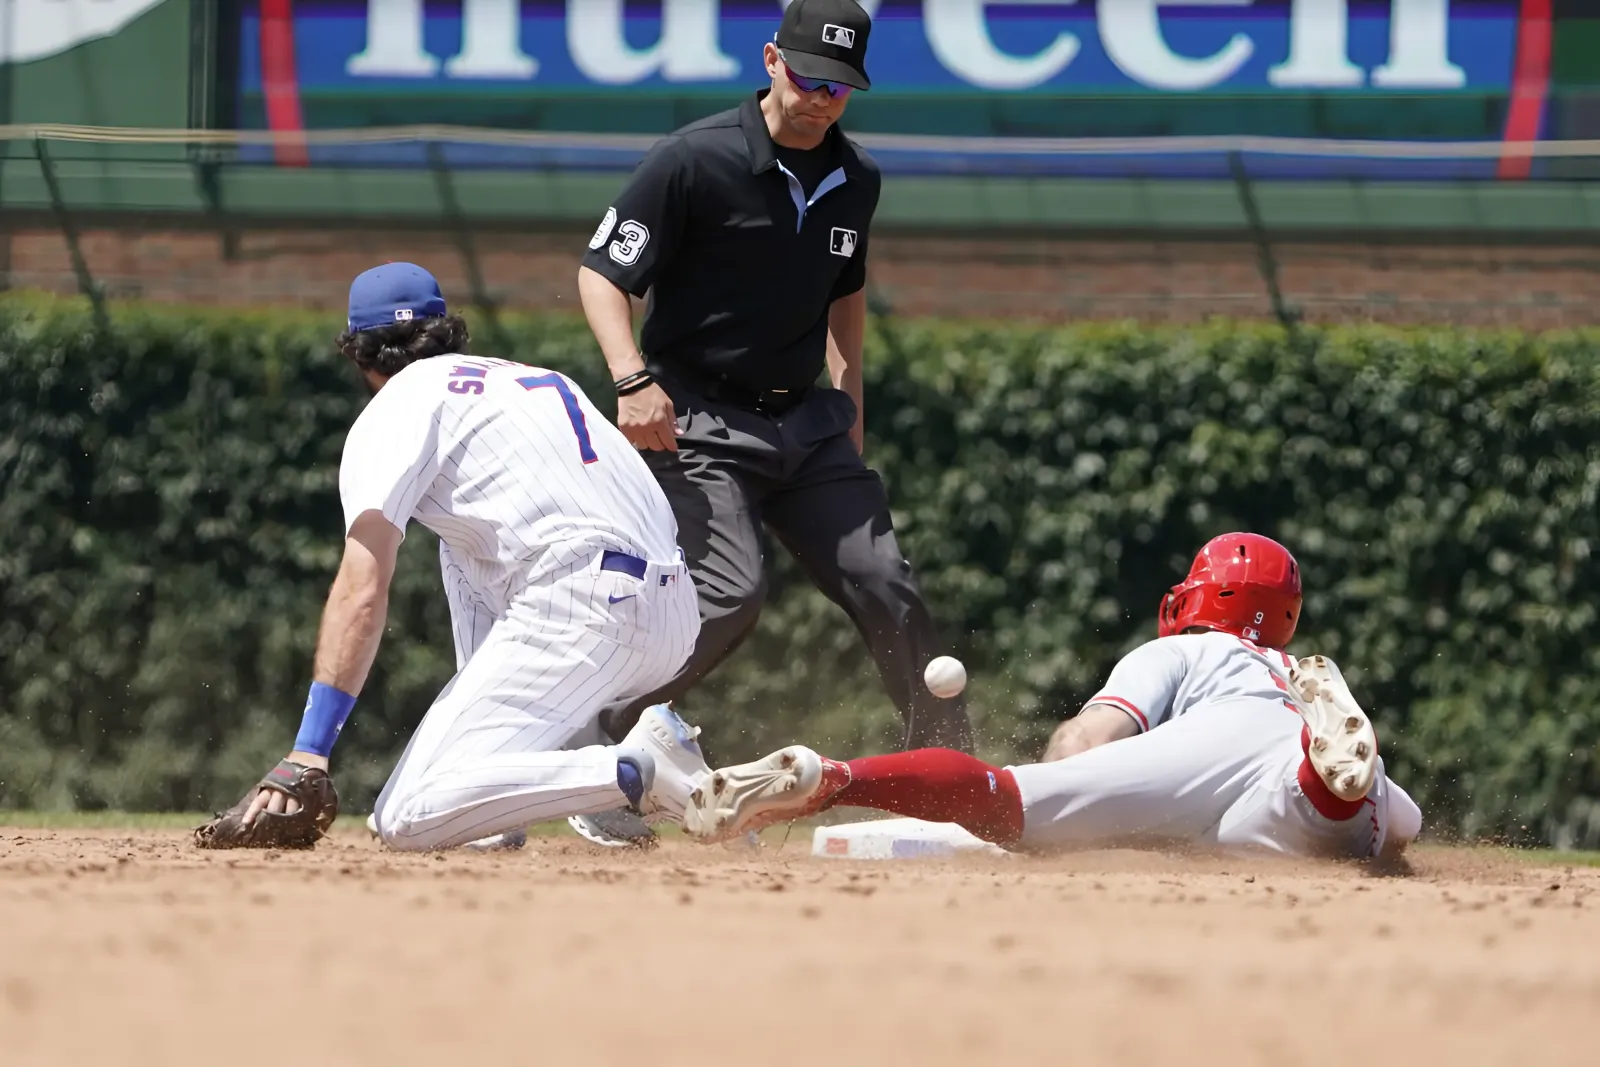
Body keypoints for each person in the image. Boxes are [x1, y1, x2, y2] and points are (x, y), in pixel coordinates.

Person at [572, 0, 971, 846]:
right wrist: (631, 379)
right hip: (698, 419)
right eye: (811, 76)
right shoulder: (692, 159)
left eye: (843, 85)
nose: (824, 96)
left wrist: (849, 406)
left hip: (810, 428)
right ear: (771, 59)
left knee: (886, 581)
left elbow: (845, 296)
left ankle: (950, 781)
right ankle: (599, 742)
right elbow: (602, 275)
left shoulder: (854, 178)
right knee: (729, 593)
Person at [192, 263, 709, 852]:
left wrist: (309, 750)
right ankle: (499, 802)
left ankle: (633, 769)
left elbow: (362, 585)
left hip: (585, 604)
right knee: (460, 544)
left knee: (406, 816)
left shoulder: (395, 407)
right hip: (673, 614)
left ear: (361, 358)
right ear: (447, 332)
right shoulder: (529, 378)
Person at [683, 533, 1424, 862]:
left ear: (1198, 594)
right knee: (1355, 826)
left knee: (1011, 800)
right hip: (1302, 758)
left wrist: (1065, 793)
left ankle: (836, 777)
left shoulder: (1182, 648)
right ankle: (1316, 780)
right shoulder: (1283, 668)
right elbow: (1405, 828)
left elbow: (1086, 742)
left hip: (1216, 739)